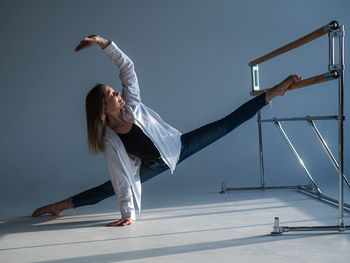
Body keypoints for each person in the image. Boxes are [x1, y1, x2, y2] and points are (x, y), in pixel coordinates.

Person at [32, 35, 302, 226]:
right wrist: (129, 214)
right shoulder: (109, 139)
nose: (117, 91)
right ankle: (59, 206)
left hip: (177, 147)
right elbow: (120, 177)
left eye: (114, 89)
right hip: (151, 166)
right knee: (108, 187)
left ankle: (274, 92)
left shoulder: (132, 107)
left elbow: (127, 69)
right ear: (104, 109)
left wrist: (104, 44)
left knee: (226, 124)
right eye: (112, 94)